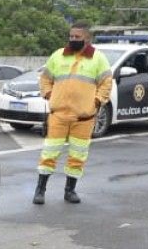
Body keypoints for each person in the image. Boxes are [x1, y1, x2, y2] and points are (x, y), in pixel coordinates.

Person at [34, 22, 112, 205]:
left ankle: (70, 191)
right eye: (71, 36)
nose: (73, 40)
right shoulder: (58, 56)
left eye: (77, 37)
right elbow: (45, 78)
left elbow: (106, 83)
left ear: (87, 38)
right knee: (49, 153)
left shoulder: (98, 59)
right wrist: (49, 94)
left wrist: (97, 101)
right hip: (58, 115)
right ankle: (40, 190)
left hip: (84, 118)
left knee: (78, 155)